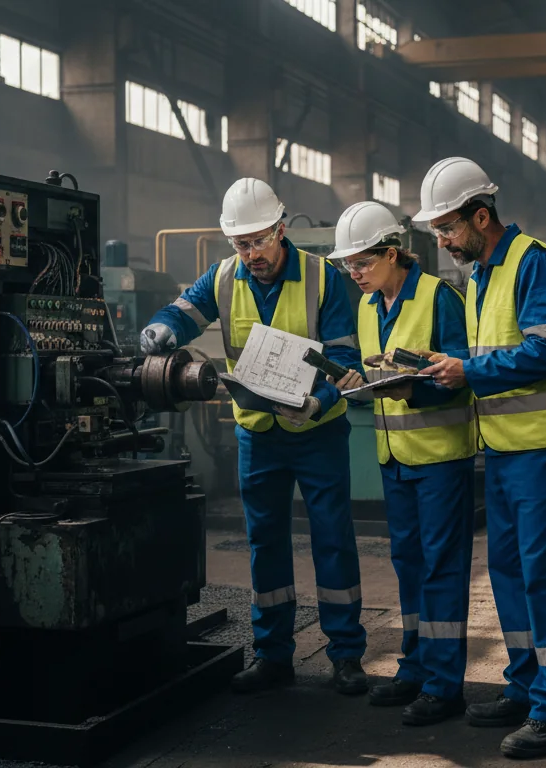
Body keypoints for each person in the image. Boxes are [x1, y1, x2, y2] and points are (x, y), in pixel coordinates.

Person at [140, 178, 369, 696]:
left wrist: (318, 404)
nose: (251, 253)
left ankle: (346, 656)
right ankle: (273, 656)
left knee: (333, 541)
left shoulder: (322, 279)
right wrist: (159, 330)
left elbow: (347, 363)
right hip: (258, 435)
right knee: (266, 545)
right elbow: (182, 313)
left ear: (281, 229)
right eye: (241, 243)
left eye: (259, 240)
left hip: (316, 432)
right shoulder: (223, 277)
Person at [416, 157, 546, 759]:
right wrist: (443, 368)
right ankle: (525, 687)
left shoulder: (535, 264)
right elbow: (493, 355)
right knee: (510, 573)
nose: (442, 242)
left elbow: (544, 353)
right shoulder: (480, 276)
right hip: (503, 447)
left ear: (481, 216)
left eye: (447, 229)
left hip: (545, 448)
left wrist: (467, 371)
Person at [323, 201, 477, 726]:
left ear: (393, 253)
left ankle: (443, 685)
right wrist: (356, 384)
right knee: (408, 565)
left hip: (439, 459)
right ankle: (414, 667)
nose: (356, 275)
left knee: (441, 569)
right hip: (394, 456)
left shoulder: (440, 298)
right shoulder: (368, 308)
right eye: (349, 267)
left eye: (362, 264)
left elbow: (462, 378)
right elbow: (378, 377)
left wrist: (415, 388)